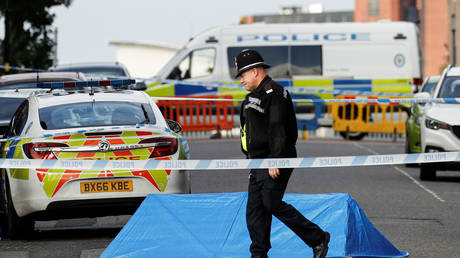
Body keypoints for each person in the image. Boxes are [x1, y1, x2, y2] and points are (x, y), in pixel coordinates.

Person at [236, 49, 330, 258]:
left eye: (243, 74)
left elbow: (278, 129)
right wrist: (251, 164)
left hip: (277, 157)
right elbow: (248, 133)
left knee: (271, 202)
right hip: (258, 161)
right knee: (254, 210)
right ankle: (258, 255)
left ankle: (317, 238)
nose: (241, 79)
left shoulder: (275, 93)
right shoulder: (250, 98)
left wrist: (275, 160)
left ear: (255, 71)